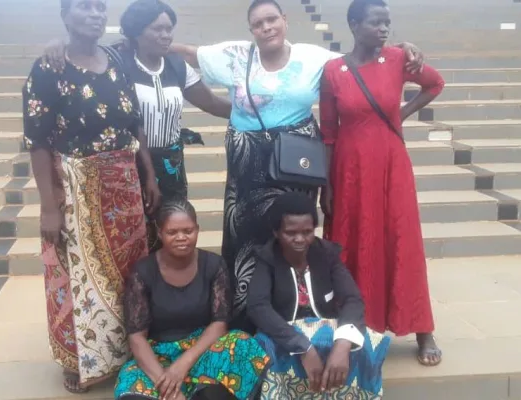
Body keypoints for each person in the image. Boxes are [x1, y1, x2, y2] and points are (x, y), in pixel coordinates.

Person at [168, 0, 424, 332]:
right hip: (248, 165)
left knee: (293, 236)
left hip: (296, 164)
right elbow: (188, 52)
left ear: (285, 21)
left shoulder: (314, 57)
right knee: (245, 239)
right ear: (251, 30)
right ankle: (245, 318)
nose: (266, 27)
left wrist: (401, 49)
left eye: (272, 19)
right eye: (258, 23)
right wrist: (142, 41)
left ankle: (297, 309)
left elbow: (361, 58)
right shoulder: (234, 55)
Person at [23, 0, 162, 393]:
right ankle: (78, 358)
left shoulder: (117, 59)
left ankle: (122, 349)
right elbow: (36, 141)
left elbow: (135, 124)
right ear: (65, 15)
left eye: (101, 7)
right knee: (74, 273)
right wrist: (50, 206)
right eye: (84, 6)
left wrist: (148, 174)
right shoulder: (49, 67)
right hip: (76, 186)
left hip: (124, 184)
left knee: (128, 272)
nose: (96, 14)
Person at [43, 0, 232, 253]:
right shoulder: (115, 62)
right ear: (136, 31)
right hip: (127, 165)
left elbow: (212, 103)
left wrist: (255, 111)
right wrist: (57, 45)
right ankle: (138, 290)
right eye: (158, 29)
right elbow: (82, 55)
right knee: (132, 236)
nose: (166, 35)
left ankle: (169, 289)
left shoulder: (176, 65)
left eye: (169, 28)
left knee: (171, 232)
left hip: (171, 165)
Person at [319, 0, 445, 366]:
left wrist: (400, 113)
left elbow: (435, 83)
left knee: (401, 239)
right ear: (355, 25)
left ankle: (422, 329)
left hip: (391, 164)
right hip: (349, 168)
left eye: (387, 22)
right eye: (376, 22)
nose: (384, 29)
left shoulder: (398, 59)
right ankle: (355, 323)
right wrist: (326, 183)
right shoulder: (333, 70)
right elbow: (328, 132)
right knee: (351, 241)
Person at [116, 200, 269, 400]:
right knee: (131, 390)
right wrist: (166, 384)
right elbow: (137, 337)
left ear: (198, 230)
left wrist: (182, 366)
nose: (181, 238)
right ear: (160, 233)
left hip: (201, 351)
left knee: (241, 343)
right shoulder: (143, 271)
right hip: (158, 355)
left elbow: (219, 324)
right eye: (172, 232)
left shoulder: (214, 265)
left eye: (188, 231)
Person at [248, 192, 390, 399]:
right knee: (266, 351)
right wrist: (302, 346)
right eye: (291, 232)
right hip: (283, 332)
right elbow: (258, 307)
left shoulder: (327, 255)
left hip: (326, 328)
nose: (300, 239)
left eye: (307, 232)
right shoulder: (267, 258)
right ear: (276, 232)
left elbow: (352, 299)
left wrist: (343, 343)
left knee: (361, 346)